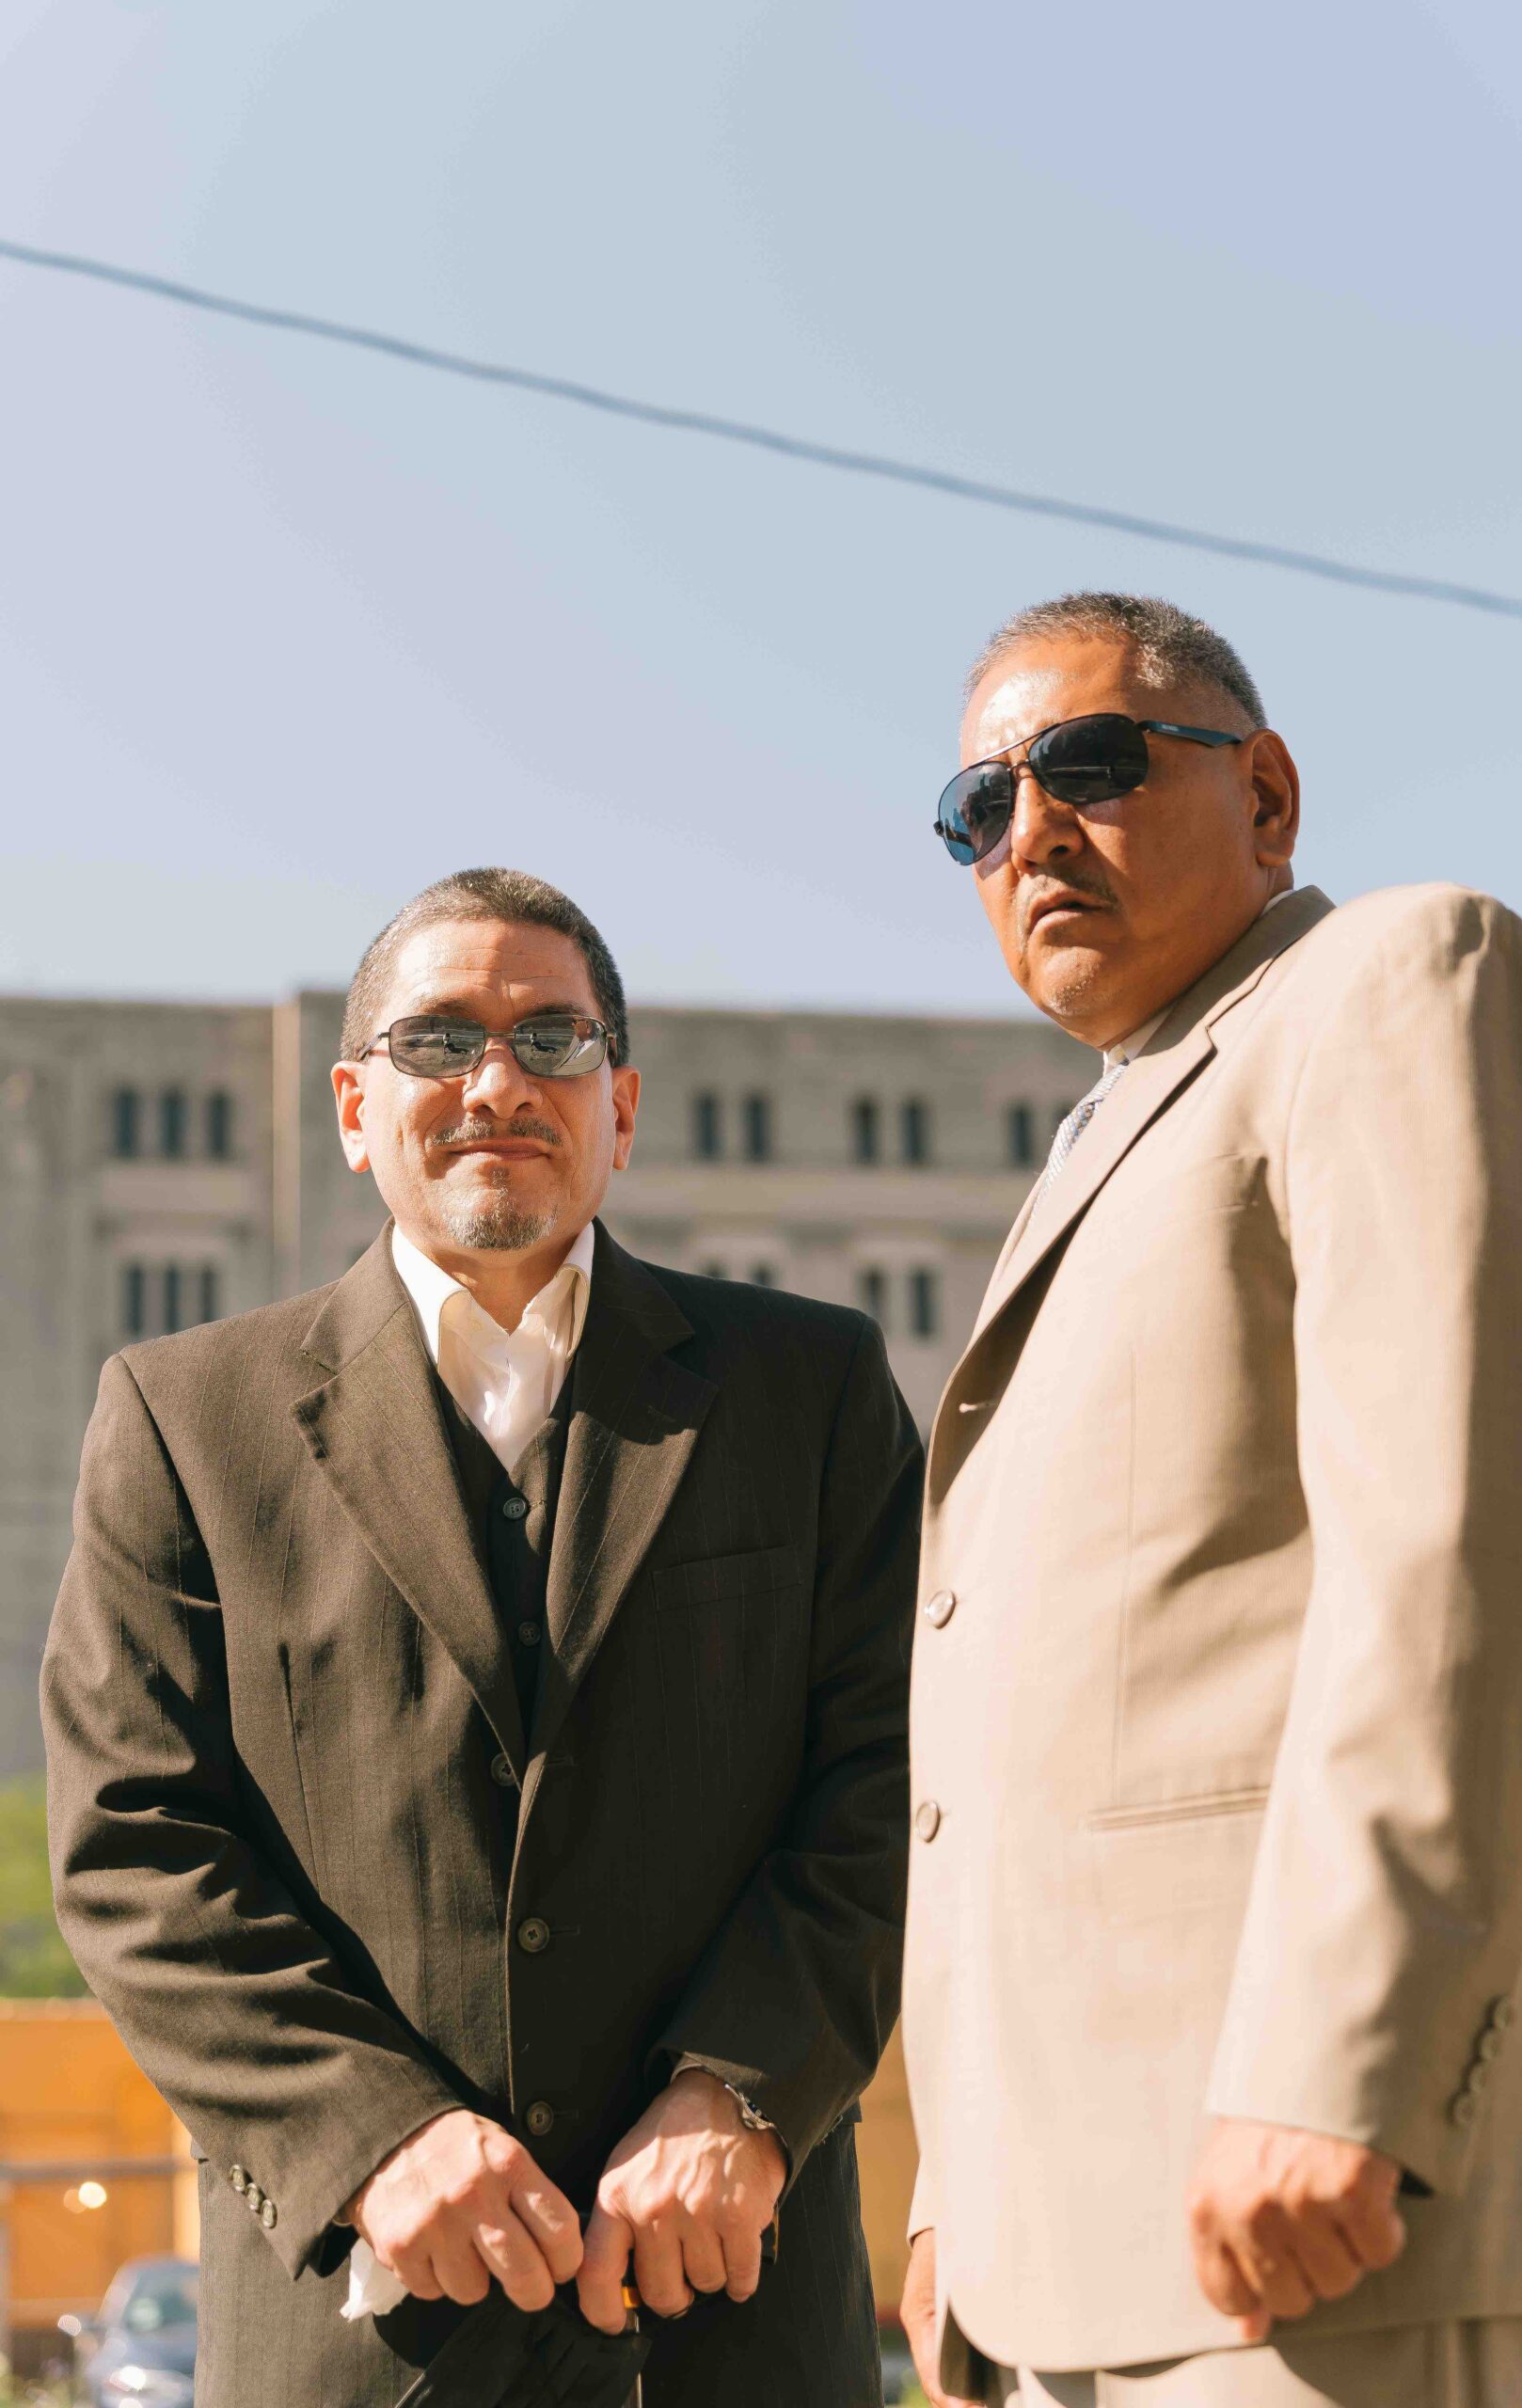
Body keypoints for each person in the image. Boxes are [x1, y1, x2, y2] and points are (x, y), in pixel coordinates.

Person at [44, 867, 921, 2408]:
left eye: (551, 1040)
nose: (496, 1083)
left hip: (728, 2329)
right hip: (365, 2343)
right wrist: (370, 2133)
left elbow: (896, 1778)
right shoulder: (187, 1419)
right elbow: (134, 1838)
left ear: (624, 1102)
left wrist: (743, 2088)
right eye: (438, 1040)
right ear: (353, 1103)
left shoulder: (814, 1389)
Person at [898, 593, 1522, 2407]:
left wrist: (1337, 2066)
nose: (1032, 828)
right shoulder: (1105, 1140)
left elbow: (1473, 1560)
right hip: (1073, 2253)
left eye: (1091, 764)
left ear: (1269, 799)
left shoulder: (1395, 980)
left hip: (1328, 2229)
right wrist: (947, 2209)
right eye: (982, 807)